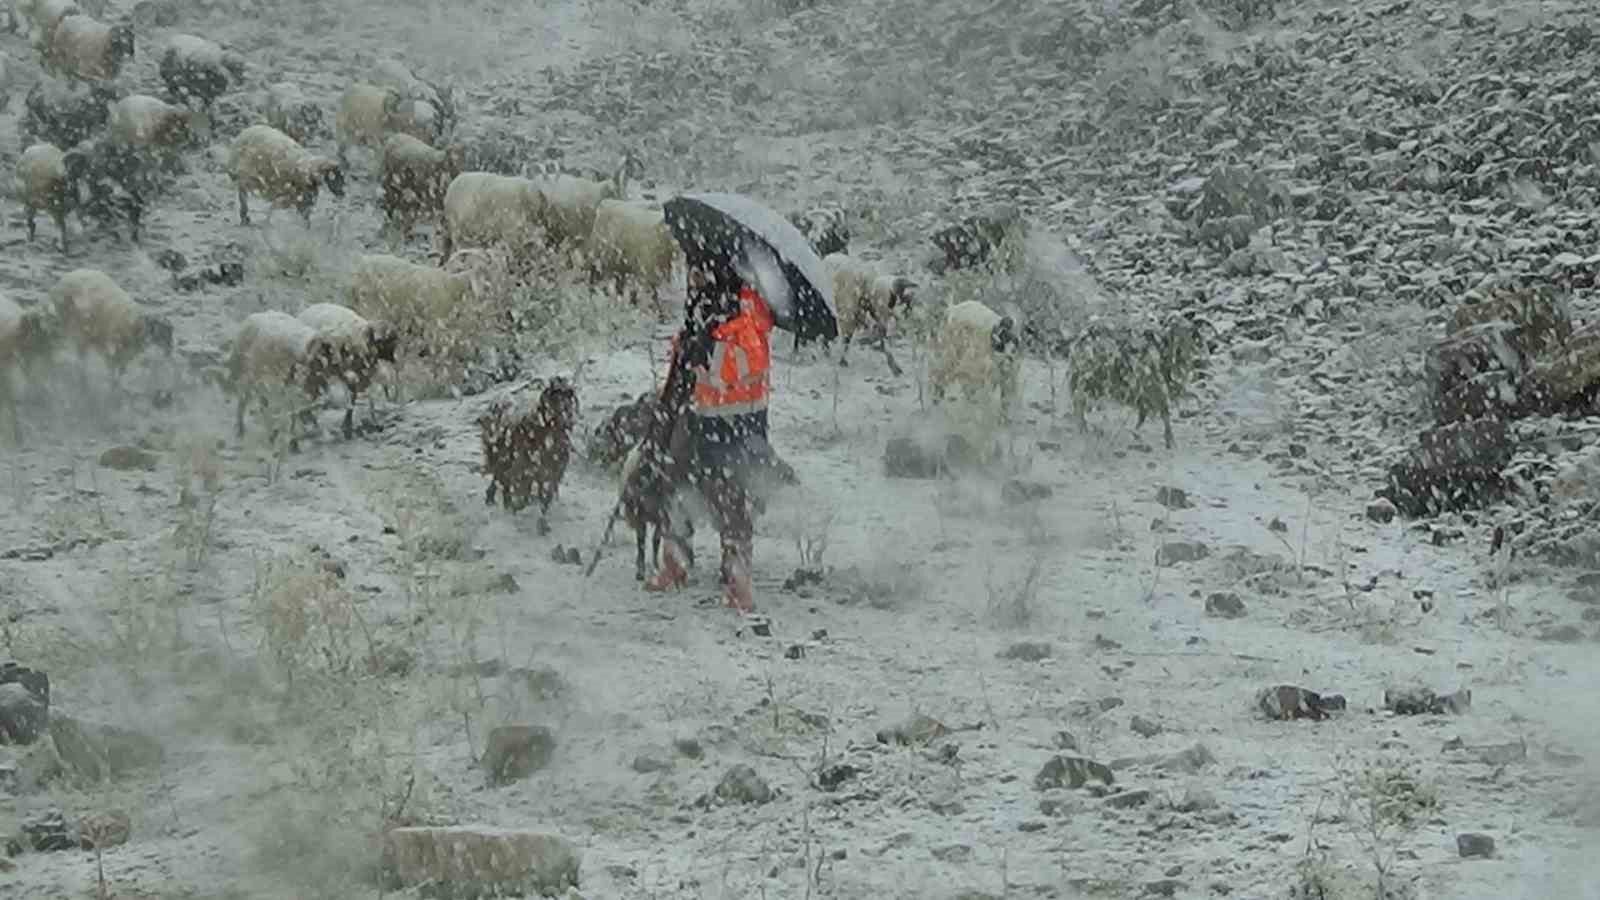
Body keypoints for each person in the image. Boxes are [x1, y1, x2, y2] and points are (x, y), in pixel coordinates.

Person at [644, 244, 774, 613]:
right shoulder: (705, 304)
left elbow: (750, 362)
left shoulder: (747, 308)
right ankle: (675, 561)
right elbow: (692, 350)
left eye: (700, 270)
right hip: (696, 410)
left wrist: (709, 355)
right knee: (674, 476)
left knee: (729, 495)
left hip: (735, 421)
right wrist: (686, 348)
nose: (694, 278)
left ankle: (738, 580)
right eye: (692, 271)